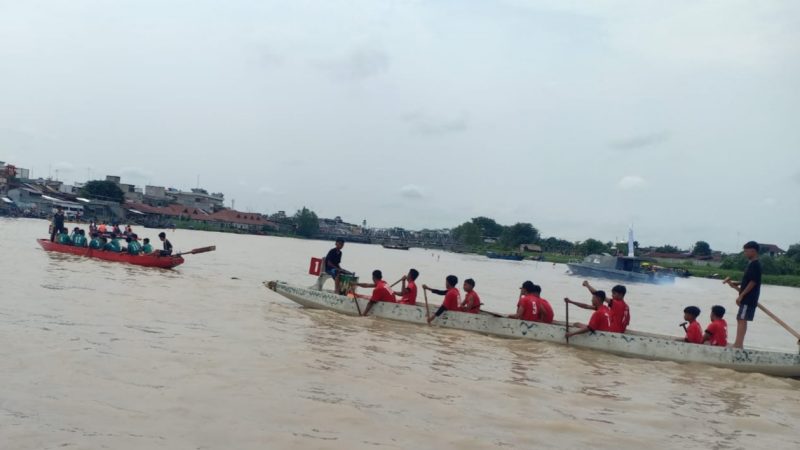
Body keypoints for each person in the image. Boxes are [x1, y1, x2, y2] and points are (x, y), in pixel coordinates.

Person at [724, 241, 762, 349]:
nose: (744, 253)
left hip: (748, 297)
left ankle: (738, 344)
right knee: (741, 319)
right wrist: (737, 283)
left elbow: (753, 282)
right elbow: (748, 280)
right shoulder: (751, 264)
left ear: (753, 251)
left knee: (741, 319)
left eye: (746, 251)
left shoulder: (755, 264)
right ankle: (739, 344)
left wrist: (741, 295)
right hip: (748, 296)